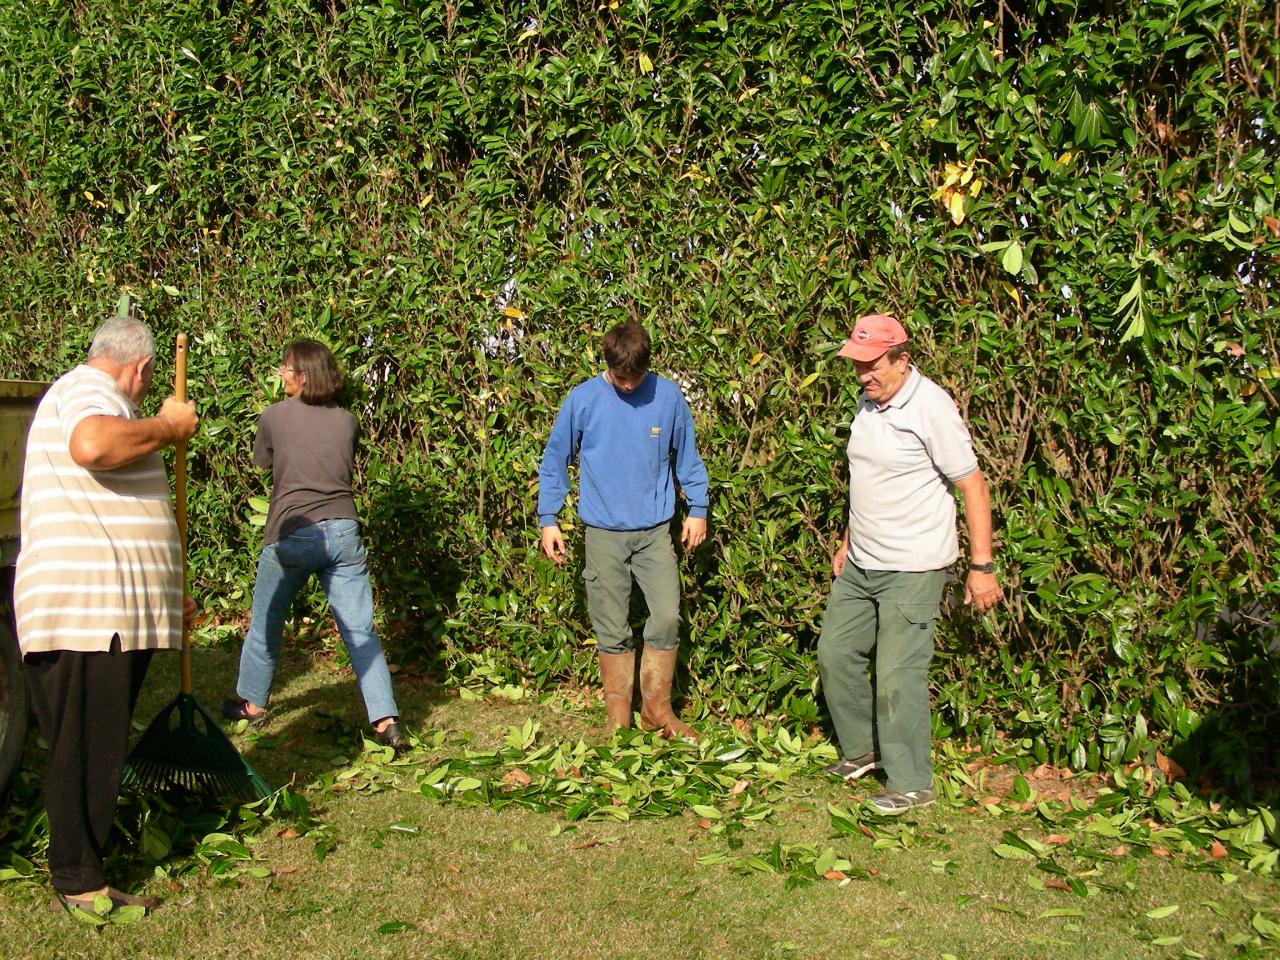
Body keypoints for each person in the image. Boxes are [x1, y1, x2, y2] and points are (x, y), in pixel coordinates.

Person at [15, 313, 198, 915]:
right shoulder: (92, 391)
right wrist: (168, 426)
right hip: (90, 614)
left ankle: (84, 866)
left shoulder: (85, 394)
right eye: (146, 385)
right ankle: (78, 881)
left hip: (107, 611)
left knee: (93, 742)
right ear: (141, 368)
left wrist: (166, 590)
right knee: (86, 745)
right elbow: (92, 446)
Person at [817, 313, 1002, 815]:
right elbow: (869, 478)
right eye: (857, 367)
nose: (863, 376)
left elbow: (972, 484)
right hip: (861, 563)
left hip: (914, 567)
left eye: (872, 366)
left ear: (902, 359)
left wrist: (981, 566)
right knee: (835, 654)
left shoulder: (931, 407)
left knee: (897, 675)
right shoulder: (868, 402)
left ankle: (912, 781)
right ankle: (863, 752)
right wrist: (848, 539)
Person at [222, 340, 404, 749]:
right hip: (343, 531)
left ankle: (253, 703)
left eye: (285, 368)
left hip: (292, 531)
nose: (281, 375)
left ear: (302, 376)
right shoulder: (347, 421)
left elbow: (263, 462)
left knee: (267, 620)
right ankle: (385, 719)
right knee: (360, 629)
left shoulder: (273, 417)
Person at [538, 320, 709, 739]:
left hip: (654, 533)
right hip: (603, 533)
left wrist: (698, 508)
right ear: (608, 365)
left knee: (667, 616)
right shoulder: (582, 400)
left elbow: (687, 455)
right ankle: (619, 719)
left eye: (635, 377)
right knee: (611, 626)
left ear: (646, 366)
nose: (629, 386)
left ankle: (658, 711)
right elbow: (555, 459)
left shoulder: (667, 396)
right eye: (620, 378)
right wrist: (549, 518)